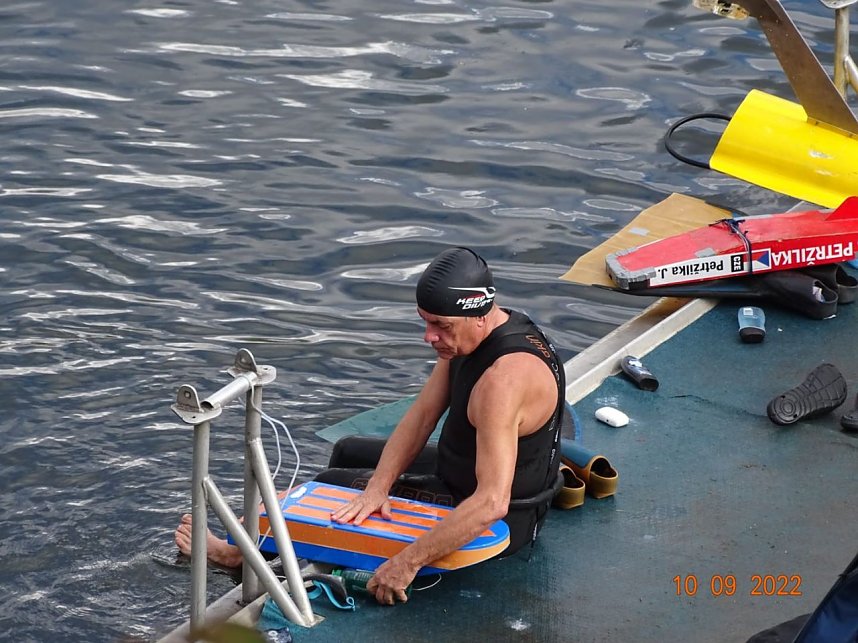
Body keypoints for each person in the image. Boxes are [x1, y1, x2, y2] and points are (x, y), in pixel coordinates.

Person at [175, 246, 566, 605]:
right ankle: (273, 530)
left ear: (477, 314)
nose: (430, 337)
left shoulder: (503, 379)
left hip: (501, 519)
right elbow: (421, 418)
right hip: (465, 471)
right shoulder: (475, 331)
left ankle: (234, 555)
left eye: (441, 325)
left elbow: (490, 504)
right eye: (426, 322)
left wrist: (406, 563)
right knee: (349, 451)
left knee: (329, 483)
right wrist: (376, 488)